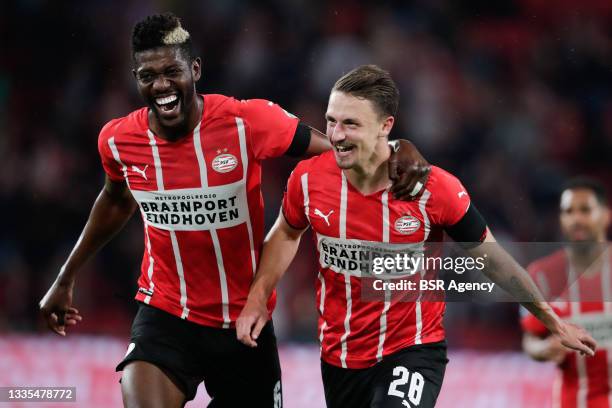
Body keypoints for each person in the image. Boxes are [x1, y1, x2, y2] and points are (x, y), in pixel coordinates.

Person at [38, 13, 431, 408]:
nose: (161, 85)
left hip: (244, 323)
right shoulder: (119, 140)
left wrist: (397, 147)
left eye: (172, 71)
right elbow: (116, 199)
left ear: (195, 69)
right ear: (135, 78)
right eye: (147, 75)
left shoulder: (248, 121)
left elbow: (343, 150)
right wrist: (65, 277)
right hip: (166, 315)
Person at [236, 65, 597, 408]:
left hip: (412, 349)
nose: (336, 135)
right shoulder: (308, 180)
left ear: (385, 125)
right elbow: (286, 232)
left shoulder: (432, 188)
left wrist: (554, 321)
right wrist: (258, 298)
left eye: (350, 124)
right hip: (340, 356)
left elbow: (494, 261)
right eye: (331, 121)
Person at [521, 178, 611, 408]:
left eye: (585, 210)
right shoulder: (543, 274)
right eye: (568, 211)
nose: (576, 219)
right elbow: (530, 341)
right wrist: (544, 350)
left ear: (606, 215)